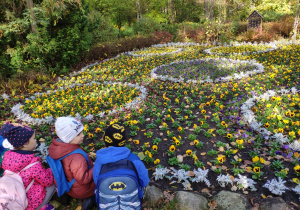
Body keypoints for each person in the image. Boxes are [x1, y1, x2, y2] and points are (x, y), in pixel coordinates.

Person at [93, 123, 149, 209]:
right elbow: (145, 181)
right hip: (131, 204)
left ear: (105, 140)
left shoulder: (99, 161)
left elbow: (97, 181)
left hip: (107, 204)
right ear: (124, 141)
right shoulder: (134, 160)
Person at [1, 123, 55, 210]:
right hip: (31, 204)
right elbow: (47, 181)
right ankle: (42, 207)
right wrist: (51, 170)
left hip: (15, 200)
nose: (36, 140)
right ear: (25, 143)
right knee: (53, 184)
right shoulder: (33, 164)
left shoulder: (7, 157)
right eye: (33, 139)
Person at [48, 117, 96, 209]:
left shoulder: (58, 148)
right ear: (69, 138)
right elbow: (84, 179)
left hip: (68, 186)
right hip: (83, 190)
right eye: (78, 134)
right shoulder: (77, 158)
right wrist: (97, 166)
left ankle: (65, 197)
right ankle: (90, 199)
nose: (83, 135)